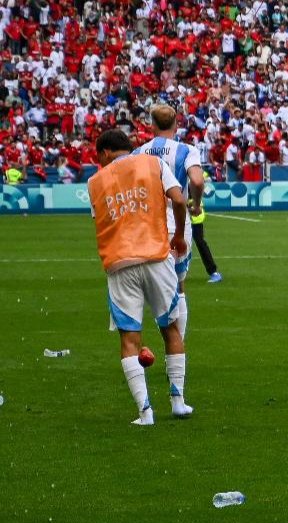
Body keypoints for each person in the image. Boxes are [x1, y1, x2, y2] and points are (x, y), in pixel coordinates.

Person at [86, 129, 193, 426]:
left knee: (130, 339)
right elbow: (179, 200)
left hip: (120, 262)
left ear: (106, 152)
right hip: (157, 256)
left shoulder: (95, 183)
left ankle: (145, 413)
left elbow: (101, 219)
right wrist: (180, 236)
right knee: (170, 328)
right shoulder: (153, 164)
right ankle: (178, 401)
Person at [132, 104, 205, 338]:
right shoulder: (186, 150)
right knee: (179, 285)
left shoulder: (140, 152)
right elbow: (197, 180)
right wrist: (195, 203)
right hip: (177, 222)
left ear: (152, 126)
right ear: (176, 124)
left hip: (148, 224)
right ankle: (177, 346)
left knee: (147, 285)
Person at [189, 172, 222, 283]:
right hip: (180, 211)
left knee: (200, 242)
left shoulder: (195, 171)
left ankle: (213, 272)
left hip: (194, 213)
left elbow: (204, 181)